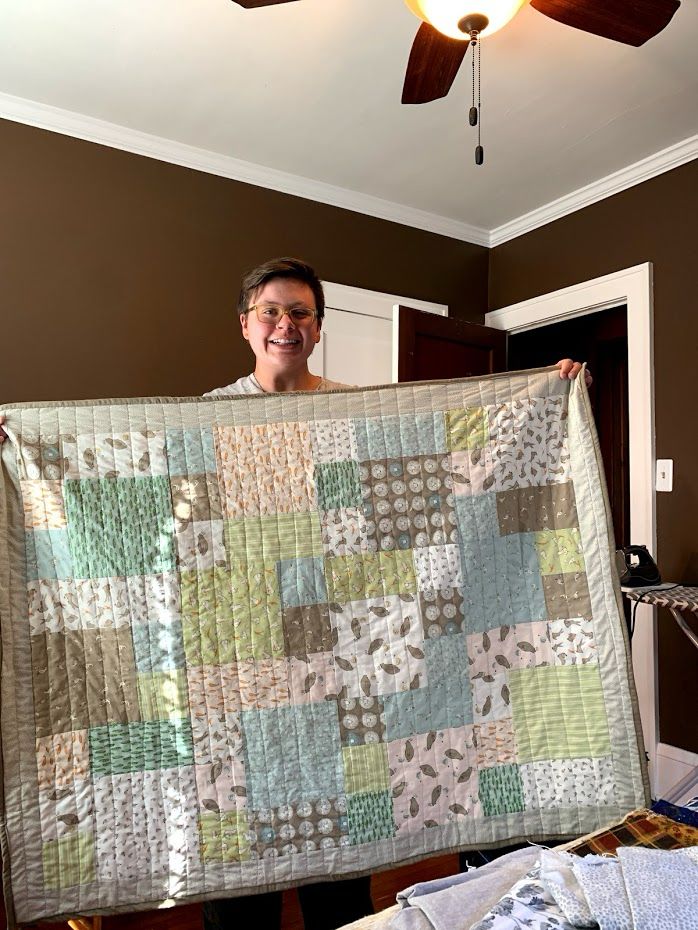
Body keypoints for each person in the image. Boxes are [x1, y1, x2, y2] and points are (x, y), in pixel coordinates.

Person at [0, 257, 590, 930]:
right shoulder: (206, 421)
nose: (287, 325)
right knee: (237, 879)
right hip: (242, 667)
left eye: (301, 313)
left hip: (344, 672)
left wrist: (550, 394)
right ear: (246, 325)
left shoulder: (358, 414)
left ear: (318, 328)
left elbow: (448, 480)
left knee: (339, 886)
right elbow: (142, 517)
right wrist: (20, 453)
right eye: (272, 312)